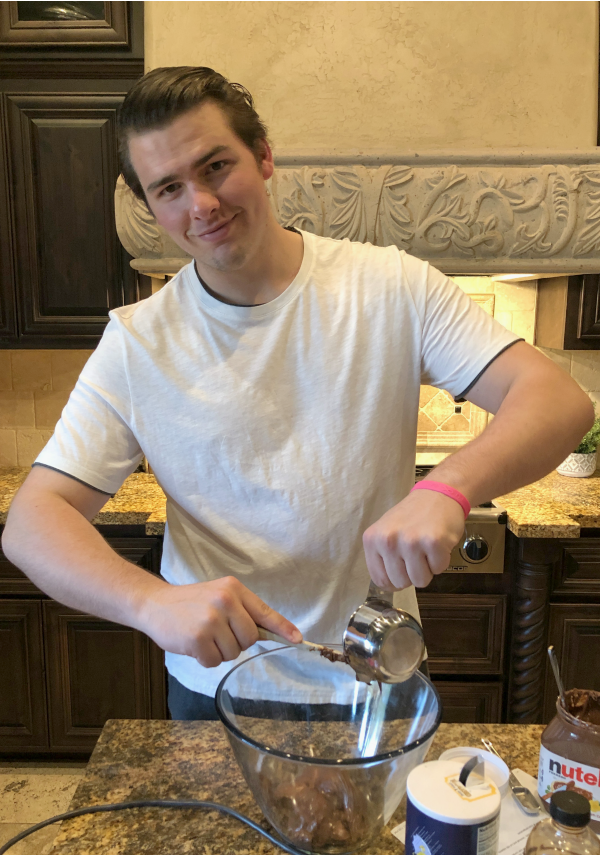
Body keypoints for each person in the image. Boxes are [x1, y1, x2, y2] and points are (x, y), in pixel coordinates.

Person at [2, 67, 593, 720]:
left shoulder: (391, 287)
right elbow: (33, 524)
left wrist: (447, 488)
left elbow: (558, 400)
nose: (200, 204)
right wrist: (150, 603)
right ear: (150, 206)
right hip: (216, 689)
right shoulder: (138, 343)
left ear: (262, 157)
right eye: (169, 188)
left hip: (375, 677)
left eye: (216, 166)